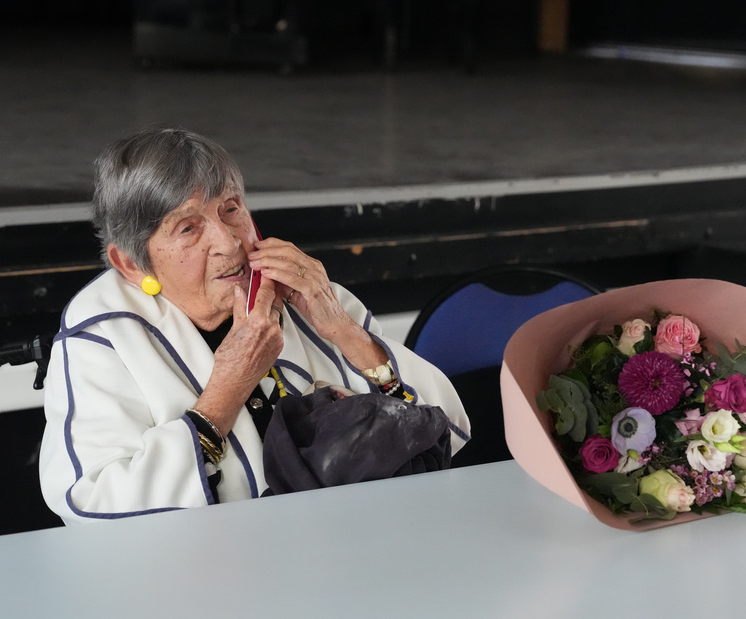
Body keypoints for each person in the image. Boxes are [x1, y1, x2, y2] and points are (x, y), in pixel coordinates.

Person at [39, 128, 470, 524]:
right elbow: (95, 506)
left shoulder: (304, 292)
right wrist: (229, 387)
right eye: (188, 228)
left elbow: (448, 432)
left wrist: (344, 331)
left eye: (231, 209)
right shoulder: (101, 339)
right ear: (131, 264)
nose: (229, 243)